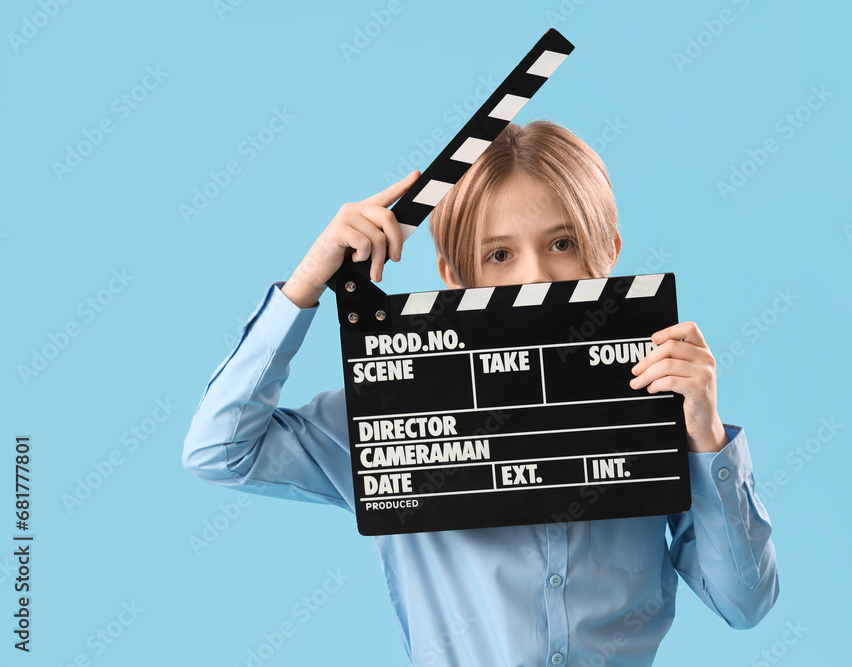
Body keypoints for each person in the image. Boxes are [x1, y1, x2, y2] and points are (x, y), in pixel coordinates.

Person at [181, 119, 779, 666]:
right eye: (499, 254)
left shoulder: (653, 404)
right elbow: (220, 451)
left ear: (609, 253)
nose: (535, 276)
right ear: (454, 274)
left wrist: (707, 441)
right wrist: (306, 285)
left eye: (563, 244)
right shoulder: (388, 409)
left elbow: (744, 603)